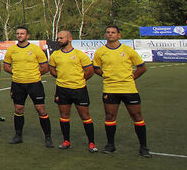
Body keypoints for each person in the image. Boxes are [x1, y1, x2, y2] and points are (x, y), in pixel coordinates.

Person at [92, 25, 149, 157]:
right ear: (105, 35)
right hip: (110, 89)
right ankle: (110, 145)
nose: (110, 34)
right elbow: (96, 68)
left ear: (119, 35)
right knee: (110, 117)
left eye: (113, 32)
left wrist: (131, 78)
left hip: (128, 88)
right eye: (108, 32)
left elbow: (142, 67)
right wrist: (106, 76)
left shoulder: (128, 50)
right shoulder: (100, 52)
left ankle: (143, 147)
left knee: (137, 116)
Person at [47, 30, 97, 152]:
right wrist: (61, 78)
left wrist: (79, 80)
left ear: (70, 39)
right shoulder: (55, 55)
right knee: (64, 116)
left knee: (85, 115)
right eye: (58, 38)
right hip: (62, 89)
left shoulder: (80, 55)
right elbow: (52, 70)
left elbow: (90, 71)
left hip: (79, 89)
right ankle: (66, 141)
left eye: (61, 38)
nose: (59, 40)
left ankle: (91, 143)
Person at [3, 26, 52, 147]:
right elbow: (6, 66)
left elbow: (45, 67)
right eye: (18, 33)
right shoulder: (11, 50)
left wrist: (33, 74)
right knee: (18, 109)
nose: (19, 35)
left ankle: (48, 137)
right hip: (18, 84)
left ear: (27, 36)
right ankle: (18, 135)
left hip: (34, 84)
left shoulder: (35, 49)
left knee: (41, 109)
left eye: (22, 33)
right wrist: (16, 73)